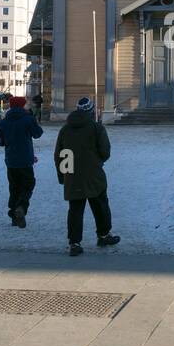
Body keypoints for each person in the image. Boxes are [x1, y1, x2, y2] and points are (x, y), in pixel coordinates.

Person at [54, 96, 120, 256]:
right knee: (100, 206)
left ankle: (74, 243)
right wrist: (96, 162)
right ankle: (103, 235)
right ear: (91, 111)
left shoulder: (65, 129)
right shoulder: (96, 128)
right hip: (93, 176)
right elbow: (105, 152)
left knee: (75, 210)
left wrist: (63, 175)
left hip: (72, 175)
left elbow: (59, 154)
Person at [0, 95, 43, 228]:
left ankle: (14, 215)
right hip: (25, 160)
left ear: (10, 106)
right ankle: (21, 208)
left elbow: (0, 142)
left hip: (11, 160)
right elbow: (38, 133)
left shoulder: (4, 122)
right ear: (22, 106)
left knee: (14, 187)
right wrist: (33, 120)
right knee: (28, 185)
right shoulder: (28, 119)